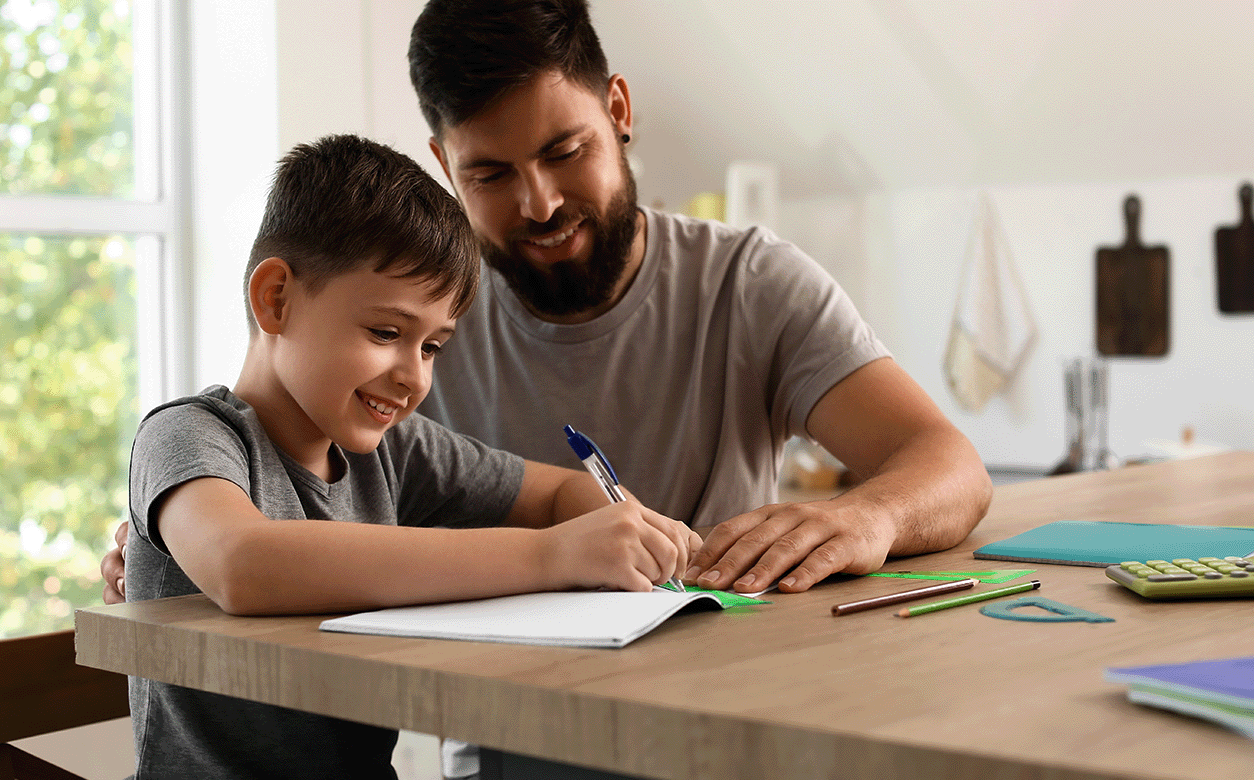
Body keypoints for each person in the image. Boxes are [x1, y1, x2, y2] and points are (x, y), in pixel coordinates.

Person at [121, 133, 698, 780]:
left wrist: (619, 527)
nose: (414, 378)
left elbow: (561, 493)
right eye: (387, 334)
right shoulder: (188, 437)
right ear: (276, 298)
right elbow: (241, 563)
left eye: (433, 347)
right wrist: (553, 554)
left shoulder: (394, 451)